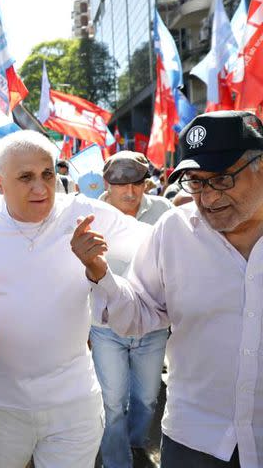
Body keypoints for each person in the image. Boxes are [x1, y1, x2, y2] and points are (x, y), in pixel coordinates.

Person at [72, 110, 263, 467]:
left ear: (261, 166)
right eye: (196, 182)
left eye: (221, 179)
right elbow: (141, 313)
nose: (207, 198)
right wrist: (100, 274)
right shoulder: (174, 231)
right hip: (194, 440)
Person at [0, 131, 150, 468]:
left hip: (72, 404)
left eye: (47, 174)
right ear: (0, 181)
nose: (41, 188)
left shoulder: (85, 214)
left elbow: (157, 247)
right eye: (26, 177)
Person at [93, 151, 174, 468]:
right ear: (106, 184)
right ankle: (117, 461)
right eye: (121, 184)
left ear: (146, 182)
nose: (130, 192)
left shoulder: (165, 212)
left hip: (153, 326)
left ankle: (137, 444)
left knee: (147, 399)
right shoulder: (91, 215)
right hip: (105, 328)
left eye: (137, 183)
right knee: (112, 403)